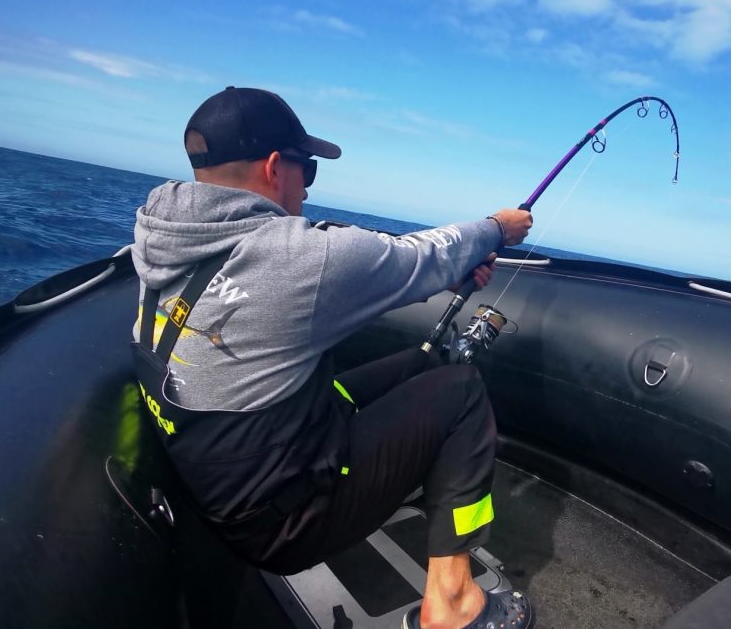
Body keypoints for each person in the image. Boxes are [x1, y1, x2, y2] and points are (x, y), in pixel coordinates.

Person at [130, 86, 535, 629]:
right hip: (283, 521)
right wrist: (497, 228)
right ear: (276, 167)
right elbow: (418, 256)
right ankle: (453, 604)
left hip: (217, 490)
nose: (306, 186)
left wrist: (449, 277)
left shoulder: (160, 241)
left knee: (429, 366)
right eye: (308, 170)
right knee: (460, 391)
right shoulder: (297, 255)